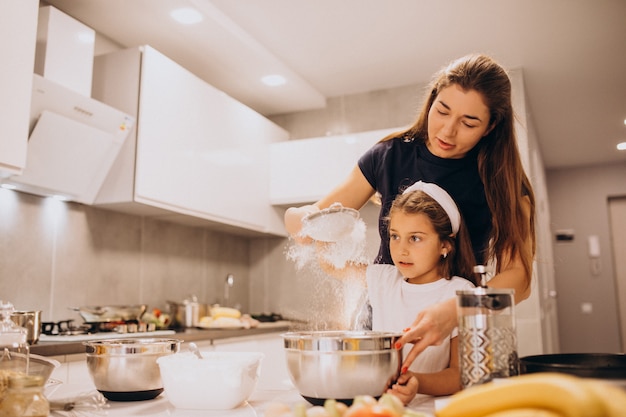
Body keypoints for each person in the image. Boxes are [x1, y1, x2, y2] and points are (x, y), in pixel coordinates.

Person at [284, 53, 536, 372]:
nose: (447, 130)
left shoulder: (503, 183)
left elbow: (521, 279)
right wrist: (301, 220)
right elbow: (311, 221)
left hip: (461, 320)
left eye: (469, 122)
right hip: (381, 317)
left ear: (490, 127)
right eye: (442, 111)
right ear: (431, 101)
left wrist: (459, 310)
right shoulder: (388, 156)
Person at [314, 182, 477, 403]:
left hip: (431, 409)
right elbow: (330, 264)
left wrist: (416, 381)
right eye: (395, 236)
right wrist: (324, 224)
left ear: (445, 245)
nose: (401, 249)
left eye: (415, 238)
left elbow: (460, 376)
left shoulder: (460, 293)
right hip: (383, 407)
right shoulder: (384, 279)